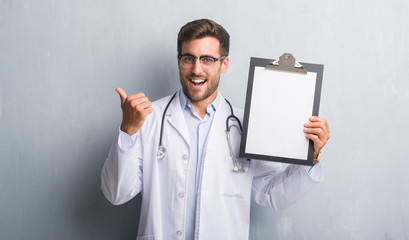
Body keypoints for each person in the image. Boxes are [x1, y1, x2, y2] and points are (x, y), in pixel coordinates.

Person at [101, 18, 330, 240]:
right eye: (189, 58)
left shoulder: (245, 125)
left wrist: (312, 157)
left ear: (224, 64)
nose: (196, 69)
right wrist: (128, 130)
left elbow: (271, 194)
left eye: (208, 59)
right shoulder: (148, 119)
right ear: (179, 60)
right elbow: (116, 193)